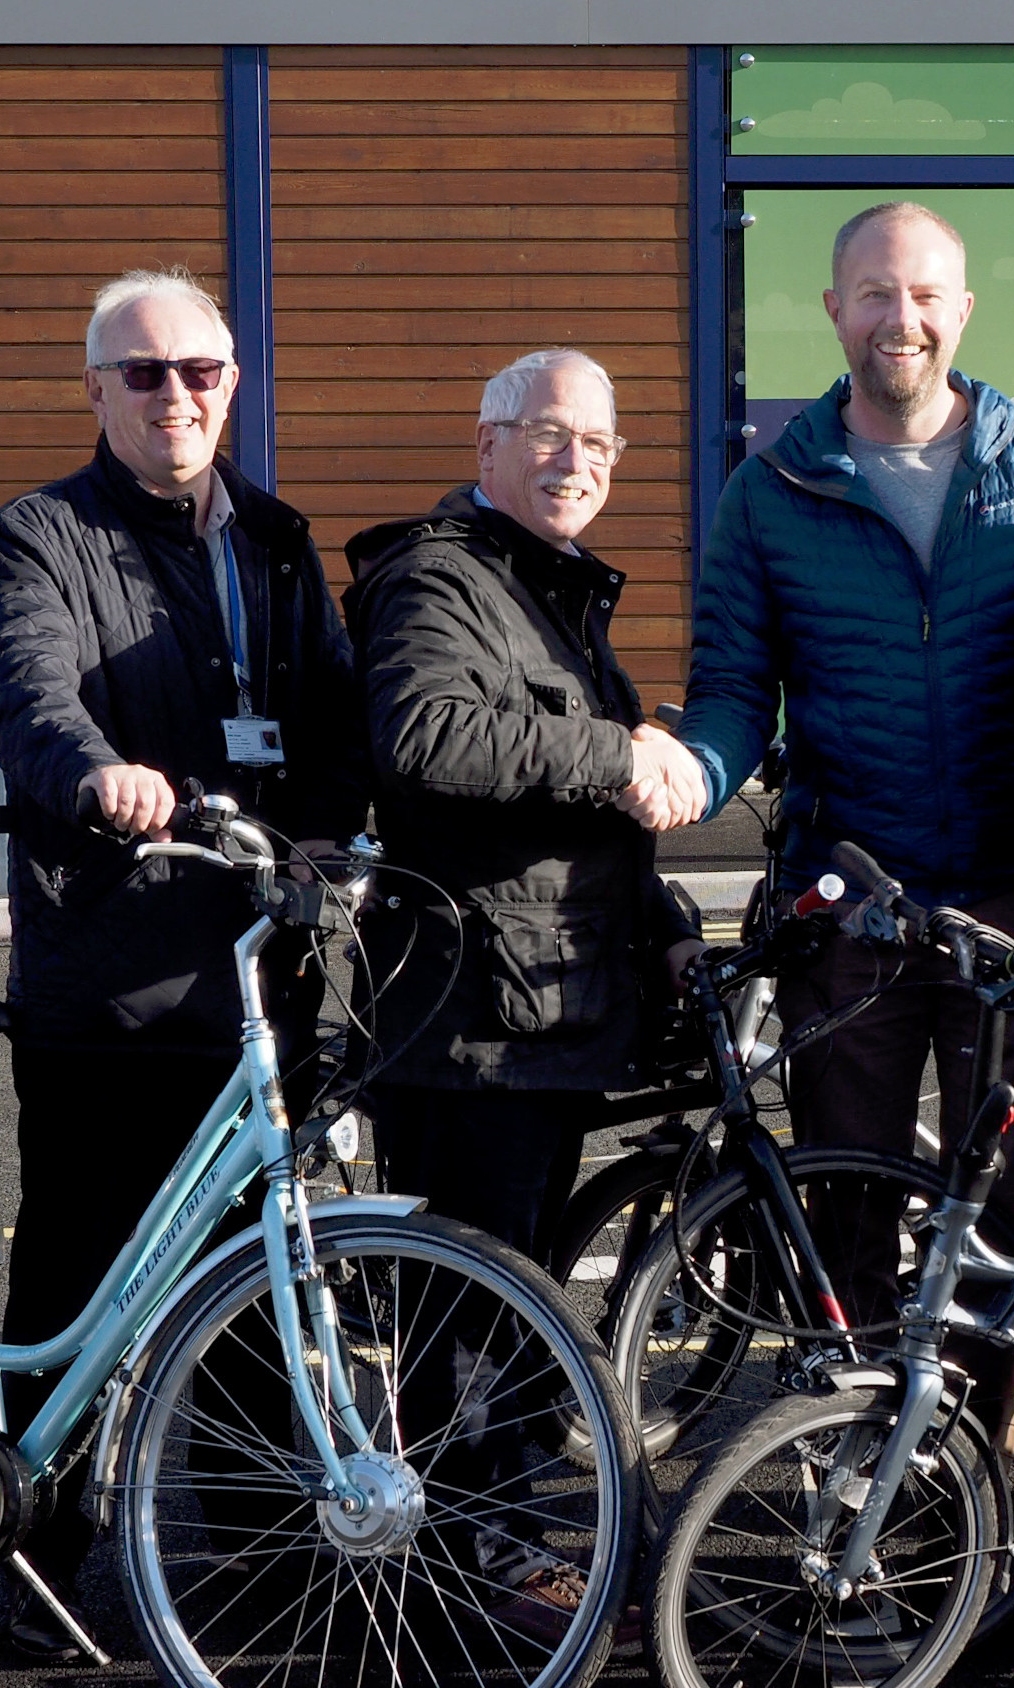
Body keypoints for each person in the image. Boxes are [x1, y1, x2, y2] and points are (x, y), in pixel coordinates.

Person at [0, 266, 369, 1659]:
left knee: (258, 1281)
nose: (175, 395)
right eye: (143, 373)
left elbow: (330, 717)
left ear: (233, 383)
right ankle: (35, 1552)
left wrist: (331, 836)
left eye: (200, 370)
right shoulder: (36, 535)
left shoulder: (276, 539)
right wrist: (96, 775)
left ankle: (254, 1566)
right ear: (97, 389)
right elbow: (24, 688)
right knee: (83, 1276)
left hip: (257, 968)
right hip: (112, 972)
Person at [672, 202, 1014, 1377]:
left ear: (962, 310)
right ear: (834, 309)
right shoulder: (772, 489)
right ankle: (857, 1453)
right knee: (849, 1205)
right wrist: (687, 769)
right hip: (850, 903)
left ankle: (977, 1462)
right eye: (875, 292)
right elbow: (732, 689)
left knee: (999, 1217)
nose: (900, 317)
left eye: (923, 294)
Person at [342, 347, 701, 1642]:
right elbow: (425, 735)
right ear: (487, 442)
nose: (576, 461)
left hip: (541, 1015)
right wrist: (617, 751)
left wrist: (667, 930)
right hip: (468, 1025)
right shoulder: (440, 577)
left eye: (599, 444)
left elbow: (589, 836)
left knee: (516, 1310)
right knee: (474, 1326)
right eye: (550, 433)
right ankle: (470, 1575)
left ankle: (489, 1549)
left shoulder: (550, 590)